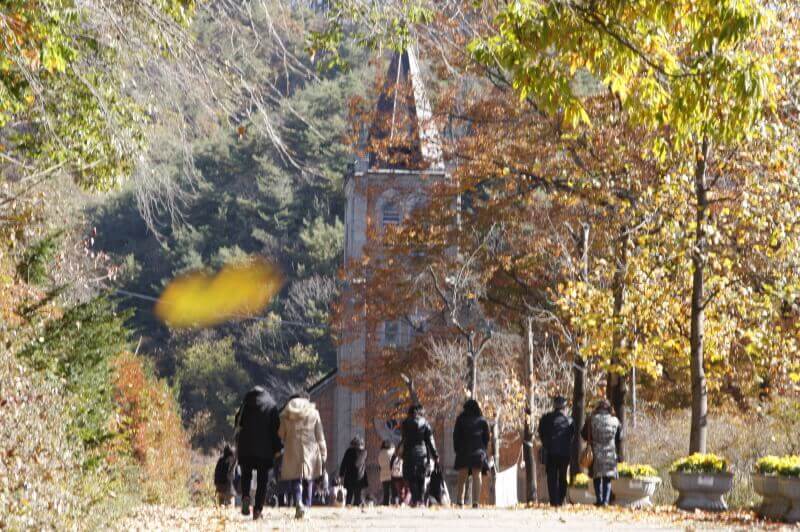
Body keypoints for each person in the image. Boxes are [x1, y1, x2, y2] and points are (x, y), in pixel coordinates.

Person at [234, 386, 281, 520]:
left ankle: (245, 497)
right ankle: (257, 510)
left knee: (246, 475)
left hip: (246, 447)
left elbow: (237, 422)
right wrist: (277, 448)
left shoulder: (245, 404)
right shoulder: (271, 405)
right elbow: (275, 429)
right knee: (262, 480)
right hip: (264, 449)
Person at [278, 392, 327, 519]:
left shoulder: (286, 414)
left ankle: (298, 502)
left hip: (292, 449)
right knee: (308, 479)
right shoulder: (314, 413)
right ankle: (307, 506)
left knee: (296, 478)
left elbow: (281, 434)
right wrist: (323, 453)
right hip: (310, 450)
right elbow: (320, 435)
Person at [581, 399, 621, 506]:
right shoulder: (615, 420)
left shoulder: (591, 419)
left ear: (597, 408)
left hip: (596, 452)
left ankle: (599, 499)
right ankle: (606, 501)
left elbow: (583, 434)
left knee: (597, 476)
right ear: (609, 408)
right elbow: (620, 437)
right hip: (610, 453)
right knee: (607, 477)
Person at [397, 404, 438, 507]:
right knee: (421, 478)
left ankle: (415, 500)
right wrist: (435, 455)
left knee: (412, 479)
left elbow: (404, 439)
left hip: (409, 454)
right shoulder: (425, 423)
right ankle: (421, 501)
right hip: (422, 455)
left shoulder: (405, 423)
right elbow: (430, 441)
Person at [538, 395, 575, 506]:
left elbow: (541, 433)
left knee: (551, 477)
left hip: (550, 453)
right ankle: (561, 500)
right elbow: (572, 435)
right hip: (564, 453)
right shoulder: (569, 420)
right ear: (564, 407)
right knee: (563, 477)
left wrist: (546, 443)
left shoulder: (546, 418)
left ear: (554, 406)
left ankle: (553, 501)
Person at [453, 399, 490, 508]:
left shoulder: (460, 420)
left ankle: (459, 501)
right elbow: (486, 438)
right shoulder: (482, 420)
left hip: (463, 452)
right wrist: (483, 449)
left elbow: (456, 436)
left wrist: (457, 449)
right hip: (478, 452)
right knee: (477, 476)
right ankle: (476, 502)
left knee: (462, 477)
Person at [339, 435, 369, 506]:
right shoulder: (364, 452)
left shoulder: (348, 452)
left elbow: (344, 463)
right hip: (360, 477)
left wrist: (341, 474)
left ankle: (348, 506)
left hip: (349, 477)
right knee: (357, 496)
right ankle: (356, 507)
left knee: (349, 495)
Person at [377, 440, 395, 505]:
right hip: (392, 474)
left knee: (386, 492)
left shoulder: (380, 453)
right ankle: (394, 504)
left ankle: (386, 504)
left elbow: (379, 465)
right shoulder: (392, 453)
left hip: (383, 475)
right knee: (394, 491)